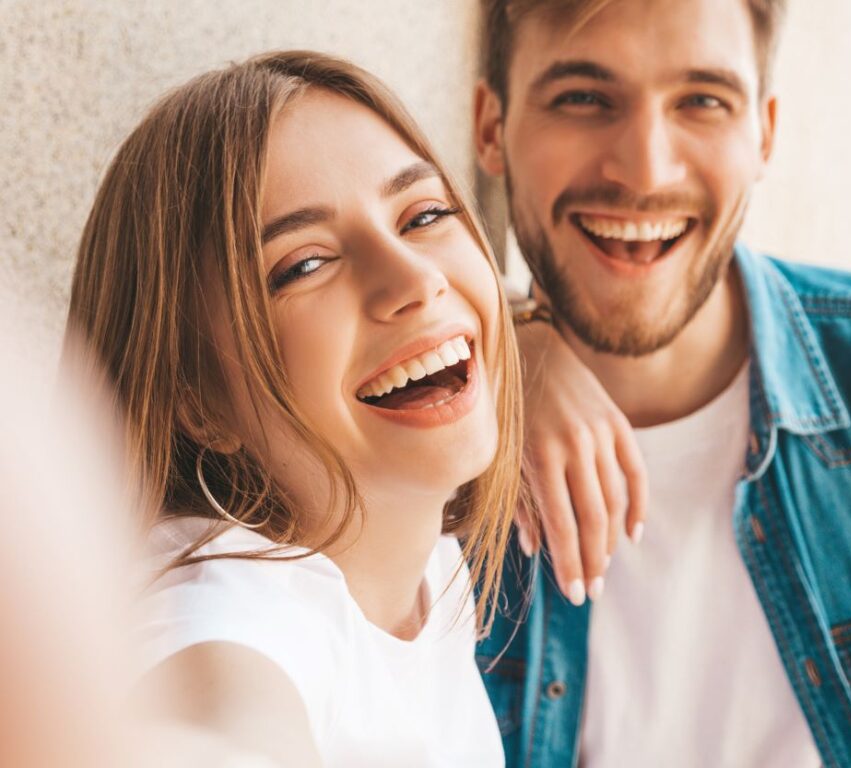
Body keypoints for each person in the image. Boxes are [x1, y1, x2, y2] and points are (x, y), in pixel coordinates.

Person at [471, 1, 851, 766]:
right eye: (584, 97)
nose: (644, 170)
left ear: (763, 130)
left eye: (702, 101)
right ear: (490, 127)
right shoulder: (435, 458)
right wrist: (503, 345)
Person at [66, 50, 523, 767]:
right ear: (195, 401)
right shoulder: (222, 624)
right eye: (304, 265)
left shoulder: (429, 566)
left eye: (424, 214)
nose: (416, 279)